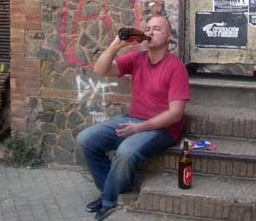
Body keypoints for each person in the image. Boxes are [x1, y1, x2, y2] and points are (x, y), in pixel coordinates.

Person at [76, 15, 190, 220]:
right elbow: (100, 70)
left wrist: (139, 128)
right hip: (134, 119)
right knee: (86, 140)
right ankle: (110, 190)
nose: (150, 32)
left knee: (126, 150)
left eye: (157, 29)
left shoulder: (176, 68)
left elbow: (176, 114)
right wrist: (116, 45)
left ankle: (108, 200)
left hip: (162, 129)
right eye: (148, 28)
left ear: (169, 37)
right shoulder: (137, 59)